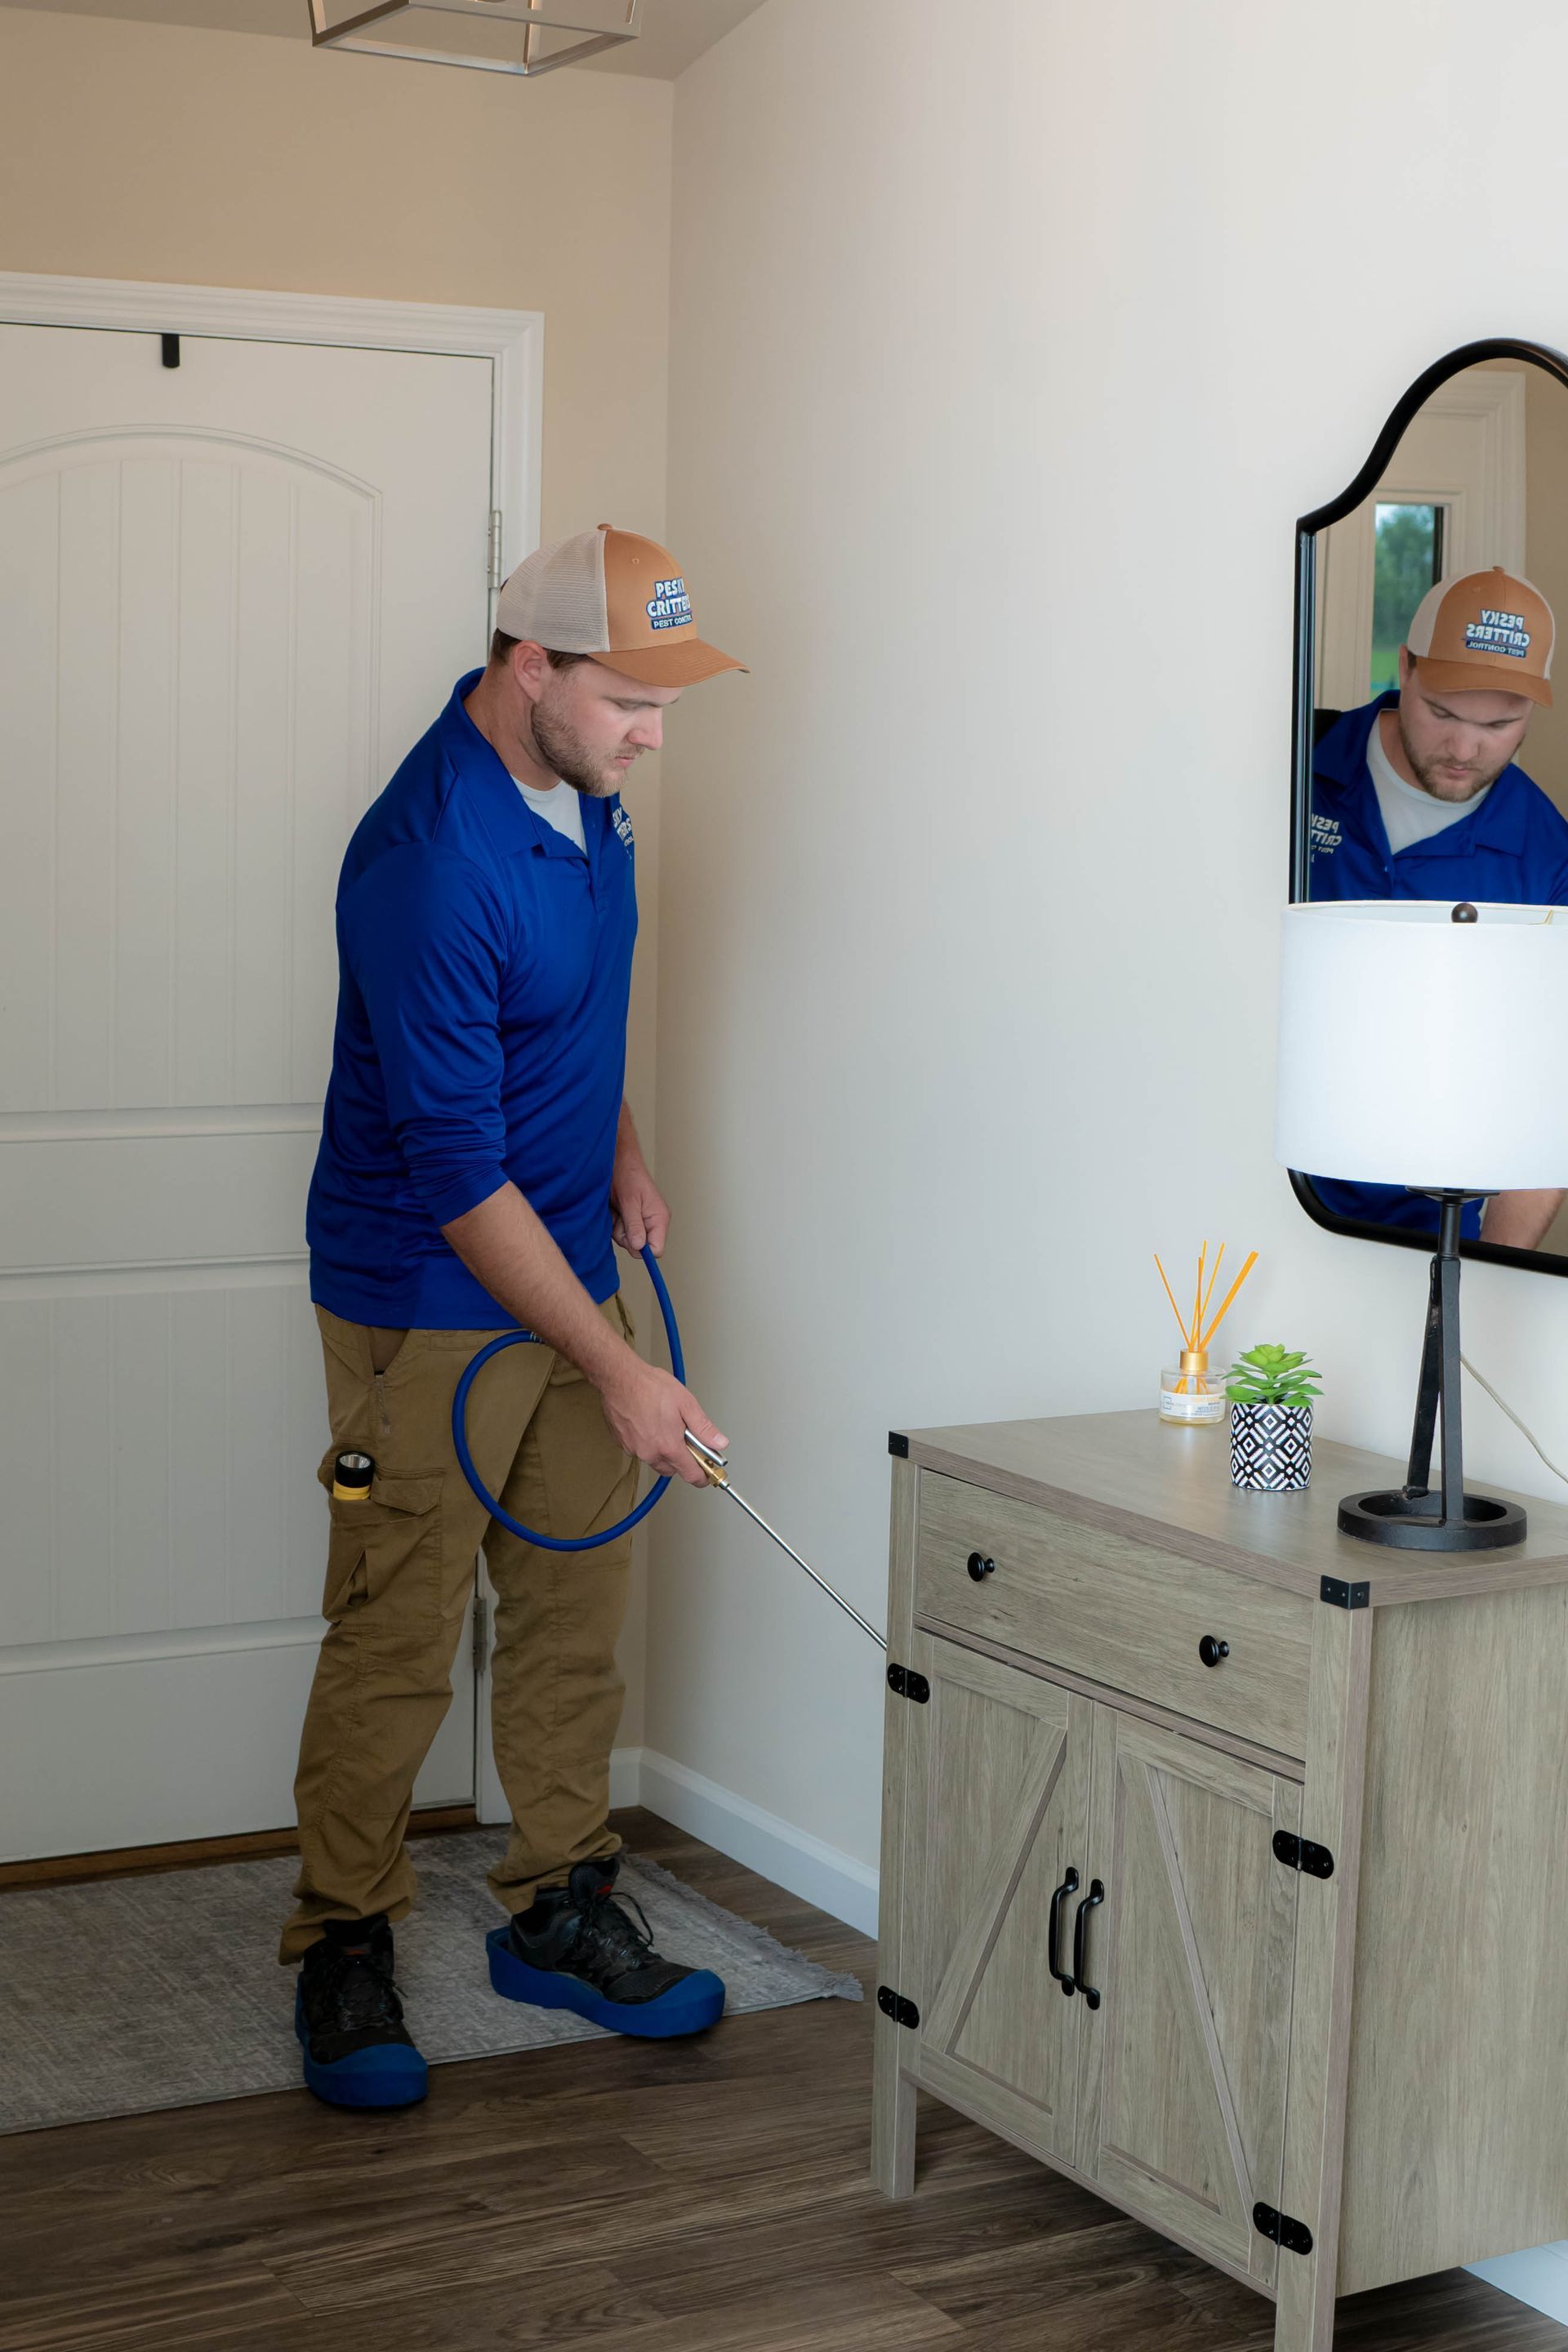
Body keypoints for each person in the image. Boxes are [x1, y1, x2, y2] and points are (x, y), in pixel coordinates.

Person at [284, 526, 742, 2109]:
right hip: (427, 1298)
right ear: (526, 667)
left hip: (566, 1262)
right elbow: (454, 1168)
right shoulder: (425, 858)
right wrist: (620, 1366)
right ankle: (341, 1939)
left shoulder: (590, 793)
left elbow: (571, 1009)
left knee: (570, 1608)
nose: (653, 735)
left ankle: (556, 1906)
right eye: (628, 699)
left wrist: (616, 1148)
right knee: (398, 1632)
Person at [1307, 565, 1568, 1249]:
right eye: (1443, 713)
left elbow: (1552, 1092)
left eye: (1499, 725)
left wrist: (1490, 1270)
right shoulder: (1294, 767)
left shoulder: (1549, 861)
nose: (1463, 749)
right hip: (1250, 1182)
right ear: (1405, 669)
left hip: (1430, 1232)